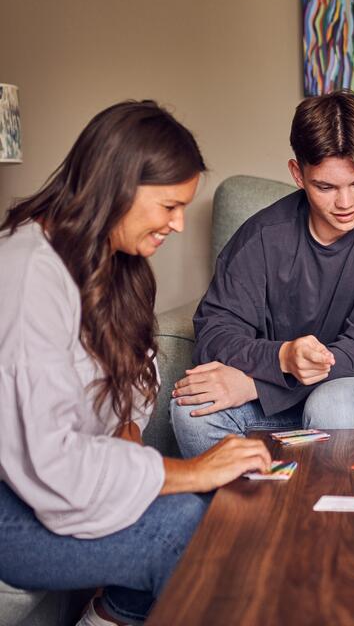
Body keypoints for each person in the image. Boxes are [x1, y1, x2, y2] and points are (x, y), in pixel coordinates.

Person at [0, 101, 272, 626]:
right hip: (11, 505)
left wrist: (126, 427)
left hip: (46, 483)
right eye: (169, 206)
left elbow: (130, 389)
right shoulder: (28, 275)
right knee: (181, 526)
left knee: (208, 508)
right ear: (118, 184)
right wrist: (189, 471)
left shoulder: (118, 263)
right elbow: (52, 462)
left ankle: (110, 615)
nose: (175, 225)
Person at [170, 91, 354, 457]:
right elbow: (214, 332)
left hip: (353, 387)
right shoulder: (262, 235)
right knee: (191, 411)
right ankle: (256, 514)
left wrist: (258, 385)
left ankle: (329, 513)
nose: (346, 203)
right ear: (297, 174)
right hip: (276, 395)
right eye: (325, 187)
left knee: (331, 405)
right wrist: (282, 357)